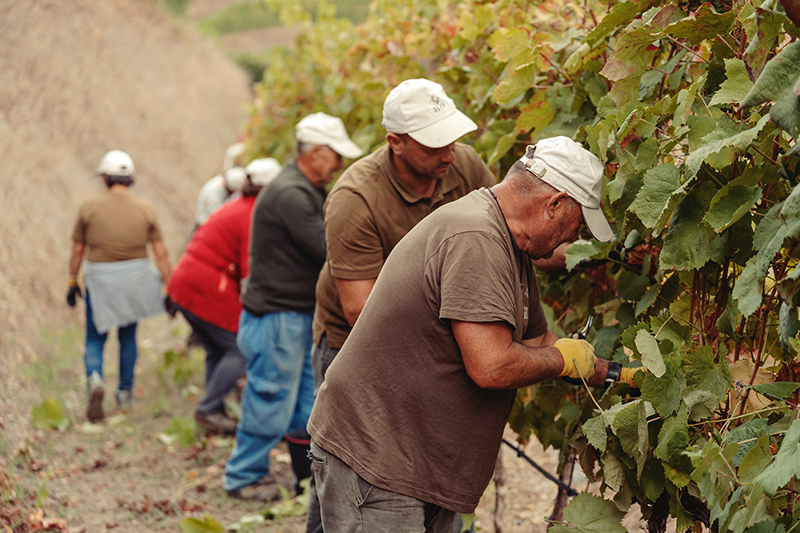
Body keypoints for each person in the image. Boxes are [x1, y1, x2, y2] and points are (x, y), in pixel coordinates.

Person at [307, 137, 639, 532]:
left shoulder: (510, 242)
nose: (571, 238)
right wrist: (562, 360)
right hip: (376, 456)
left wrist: (616, 373)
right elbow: (492, 365)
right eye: (577, 224)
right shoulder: (476, 238)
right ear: (554, 204)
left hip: (417, 456)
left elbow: (537, 342)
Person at [307, 78, 495, 533]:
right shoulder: (355, 198)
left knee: (425, 459)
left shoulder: (463, 165)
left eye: (451, 139)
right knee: (351, 467)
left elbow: (506, 228)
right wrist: (468, 333)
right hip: (354, 346)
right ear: (395, 143)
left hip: (432, 340)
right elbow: (361, 311)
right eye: (433, 145)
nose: (448, 154)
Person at [223, 112, 364, 501]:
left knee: (305, 405)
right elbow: (329, 249)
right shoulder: (291, 194)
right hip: (277, 318)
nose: (338, 164)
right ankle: (242, 478)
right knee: (270, 399)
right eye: (335, 155)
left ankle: (305, 478)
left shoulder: (302, 188)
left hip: (295, 315)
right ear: (316, 153)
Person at [166, 158, 282, 435]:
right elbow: (249, 268)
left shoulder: (237, 205)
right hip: (205, 285)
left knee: (216, 349)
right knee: (238, 347)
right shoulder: (254, 214)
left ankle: (213, 409)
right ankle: (208, 408)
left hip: (186, 281)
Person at [67, 150, 171, 423]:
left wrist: (72, 281)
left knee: (94, 337)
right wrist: (170, 287)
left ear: (105, 177)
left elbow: (78, 250)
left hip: (100, 280)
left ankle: (95, 378)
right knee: (127, 336)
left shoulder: (89, 208)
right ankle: (125, 392)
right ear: (130, 178)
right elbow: (160, 253)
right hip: (134, 281)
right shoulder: (146, 209)